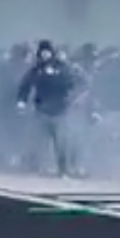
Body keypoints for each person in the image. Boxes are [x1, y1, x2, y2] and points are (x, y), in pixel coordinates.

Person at [16, 39, 81, 176]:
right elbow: (25, 85)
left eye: (47, 52)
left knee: (61, 143)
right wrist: (21, 101)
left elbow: (72, 83)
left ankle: (63, 170)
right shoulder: (36, 69)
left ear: (52, 52)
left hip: (60, 110)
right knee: (39, 142)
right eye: (42, 52)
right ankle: (38, 168)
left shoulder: (62, 67)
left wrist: (71, 99)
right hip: (41, 111)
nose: (45, 55)